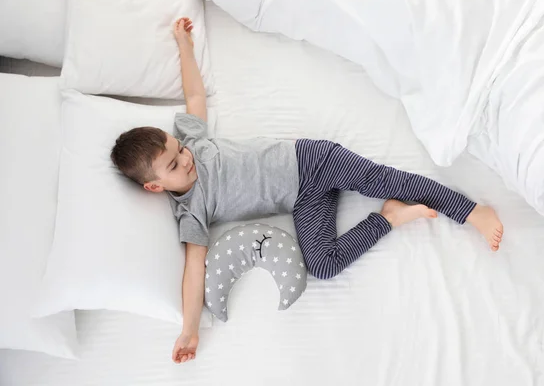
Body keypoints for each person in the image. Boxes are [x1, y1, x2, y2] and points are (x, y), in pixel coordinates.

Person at [110, 18, 504, 364]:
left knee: (390, 179)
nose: (186, 159)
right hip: (302, 199)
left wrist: (184, 46)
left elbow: (195, 97)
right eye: (175, 165)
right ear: (154, 186)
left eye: (179, 150)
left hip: (311, 160)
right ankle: (389, 217)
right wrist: (189, 330)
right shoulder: (190, 213)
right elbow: (194, 271)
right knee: (322, 264)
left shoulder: (191, 139)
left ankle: (470, 213)